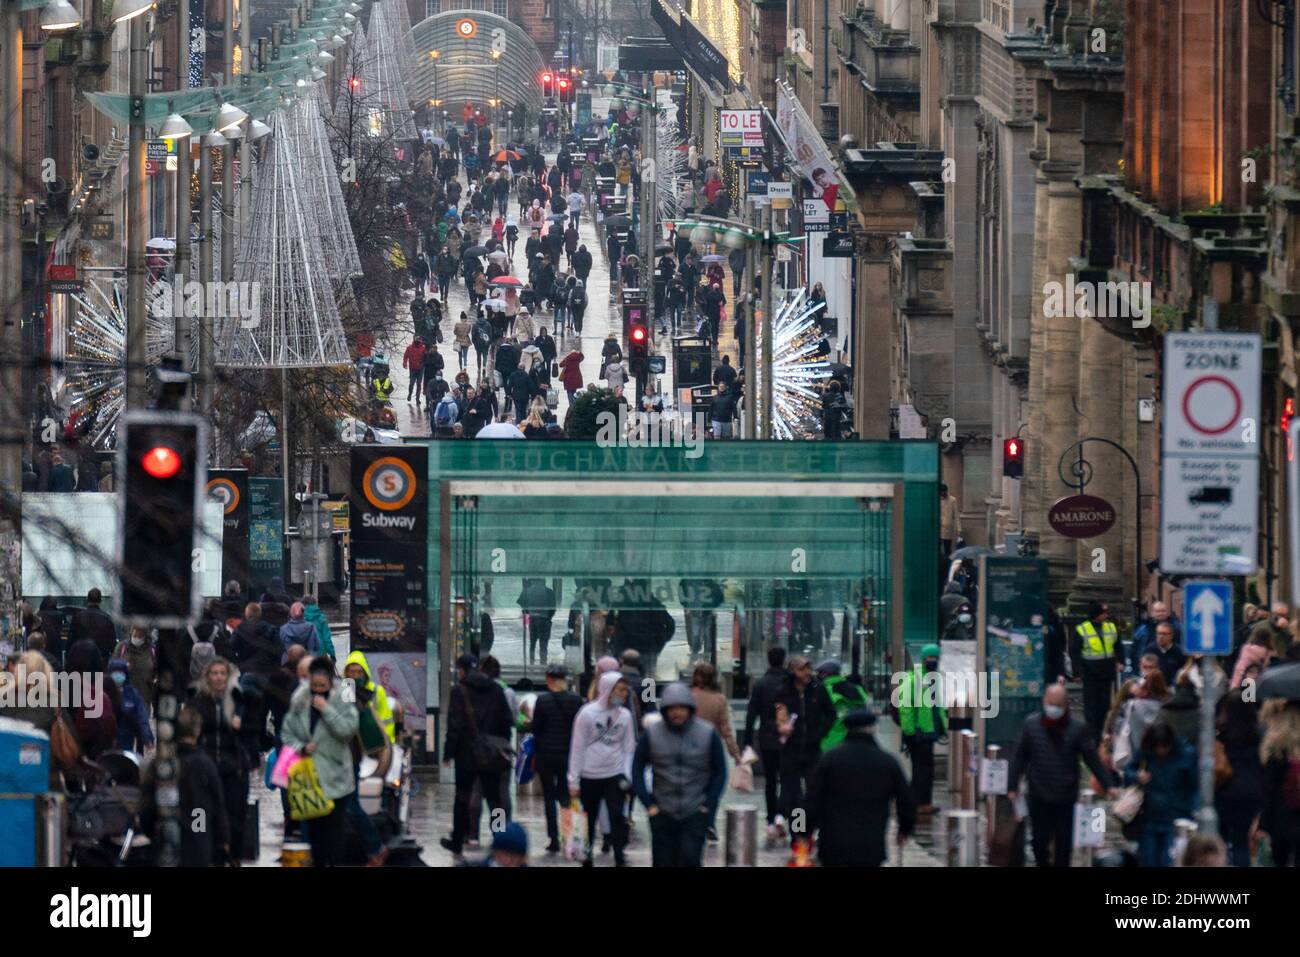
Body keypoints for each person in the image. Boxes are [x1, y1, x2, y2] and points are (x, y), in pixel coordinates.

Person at [1007, 682, 1116, 867]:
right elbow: (1020, 757)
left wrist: (1108, 784)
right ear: (1044, 702)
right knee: (1039, 841)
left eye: (1057, 705)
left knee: (1064, 845)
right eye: (1050, 703)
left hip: (1065, 796)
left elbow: (1091, 759)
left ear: (1065, 706)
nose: (1053, 709)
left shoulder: (1077, 729)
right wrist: (1012, 786)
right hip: (1038, 793)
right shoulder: (1031, 725)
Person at [632, 682, 727, 867]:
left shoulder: (707, 733)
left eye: (681, 708)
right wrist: (648, 803)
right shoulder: (652, 734)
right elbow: (637, 767)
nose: (677, 713)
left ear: (690, 708)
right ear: (665, 710)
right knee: (662, 861)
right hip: (662, 810)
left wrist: (709, 804)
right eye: (672, 708)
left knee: (690, 859)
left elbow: (720, 771)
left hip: (695, 810)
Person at [805, 709, 915, 867]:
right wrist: (905, 829)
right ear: (873, 728)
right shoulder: (887, 762)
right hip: (871, 847)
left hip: (833, 846)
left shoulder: (829, 760)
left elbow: (808, 802)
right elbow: (906, 801)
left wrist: (802, 831)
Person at [281, 656, 359, 867]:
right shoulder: (299, 700)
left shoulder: (343, 695)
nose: (317, 690)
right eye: (314, 686)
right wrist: (302, 747)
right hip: (310, 779)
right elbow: (287, 734)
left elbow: (348, 731)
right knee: (314, 832)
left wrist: (327, 709)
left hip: (336, 777)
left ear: (330, 682)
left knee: (333, 831)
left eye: (322, 686)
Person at [441, 655, 514, 860]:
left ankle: (458, 841)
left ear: (462, 670)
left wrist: (448, 753)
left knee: (462, 798)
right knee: (495, 800)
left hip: (466, 754)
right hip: (492, 754)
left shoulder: (459, 691)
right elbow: (507, 721)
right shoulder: (497, 690)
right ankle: (499, 838)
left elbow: (454, 725)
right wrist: (501, 746)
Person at [568, 671, 638, 866]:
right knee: (588, 818)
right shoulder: (587, 713)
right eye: (621, 690)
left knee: (617, 816)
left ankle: (619, 854)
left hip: (614, 774)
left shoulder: (625, 716)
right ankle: (586, 856)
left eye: (626, 690)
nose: (624, 694)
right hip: (590, 775)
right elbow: (577, 747)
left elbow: (628, 748)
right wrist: (573, 779)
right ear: (608, 690)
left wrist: (627, 775)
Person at [192, 657, 257, 865]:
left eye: (222, 673)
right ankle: (210, 856)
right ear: (207, 677)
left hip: (234, 767)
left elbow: (254, 732)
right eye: (214, 673)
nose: (218, 677)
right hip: (207, 767)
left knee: (236, 816)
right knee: (204, 816)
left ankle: (234, 856)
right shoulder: (199, 700)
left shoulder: (239, 699)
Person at [774, 655, 836, 841]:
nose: (808, 673)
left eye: (809, 668)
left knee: (814, 790)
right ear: (793, 672)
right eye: (802, 669)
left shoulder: (818, 690)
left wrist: (820, 733)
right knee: (793, 795)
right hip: (791, 749)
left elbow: (831, 715)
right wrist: (781, 729)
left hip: (812, 748)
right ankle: (798, 833)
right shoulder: (783, 691)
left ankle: (813, 828)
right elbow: (774, 717)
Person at [1124, 719, 1197, 867]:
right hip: (1149, 818)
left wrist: (1195, 809)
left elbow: (1195, 785)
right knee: (1148, 859)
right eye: (1157, 748)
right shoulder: (1146, 752)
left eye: (1164, 747)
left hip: (1176, 817)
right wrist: (1137, 776)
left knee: (1168, 860)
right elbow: (1128, 771)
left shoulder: (1186, 754)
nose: (1161, 751)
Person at [528, 663, 583, 853]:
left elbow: (536, 729)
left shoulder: (543, 701)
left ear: (549, 679)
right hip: (568, 755)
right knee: (565, 797)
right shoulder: (576, 700)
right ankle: (567, 835)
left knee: (549, 797)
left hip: (546, 755)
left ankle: (553, 839)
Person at [895, 644, 947, 812]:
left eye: (935, 658)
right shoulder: (913, 679)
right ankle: (919, 803)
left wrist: (943, 727)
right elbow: (906, 708)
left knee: (925, 769)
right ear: (923, 660)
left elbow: (937, 707)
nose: (933, 661)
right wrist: (909, 731)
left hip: (929, 732)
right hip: (919, 733)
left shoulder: (934, 679)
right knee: (922, 769)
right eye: (930, 658)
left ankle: (920, 802)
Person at [1215, 689, 1264, 867]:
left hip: (1224, 790)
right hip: (1251, 791)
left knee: (1220, 841)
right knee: (1241, 843)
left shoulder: (1222, 733)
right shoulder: (1258, 733)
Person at [744, 646, 789, 840]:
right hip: (789, 737)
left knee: (770, 780)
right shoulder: (790, 683)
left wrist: (747, 740)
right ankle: (782, 815)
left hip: (767, 737)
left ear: (768, 660)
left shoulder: (761, 684)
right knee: (788, 779)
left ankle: (771, 819)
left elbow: (751, 713)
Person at [1073, 601, 1123, 738]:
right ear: (1096, 615)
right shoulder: (1082, 629)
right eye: (1104, 613)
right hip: (1090, 672)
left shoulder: (1111, 627)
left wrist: (1121, 661)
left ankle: (1103, 730)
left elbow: (1118, 645)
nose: (1107, 615)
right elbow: (1075, 652)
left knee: (1105, 704)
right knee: (1091, 706)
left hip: (1106, 672)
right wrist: (1077, 672)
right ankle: (1091, 733)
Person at [1259, 700, 1300, 866]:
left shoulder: (1276, 747)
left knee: (1279, 858)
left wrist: (1262, 821)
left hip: (1280, 815)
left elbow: (1269, 787)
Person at [817, 660, 871, 752]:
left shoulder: (823, 689)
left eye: (819, 673)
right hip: (854, 738)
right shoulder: (857, 689)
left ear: (824, 674)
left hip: (829, 738)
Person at [108, 658, 154, 753]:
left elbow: (142, 717)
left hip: (126, 740)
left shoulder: (132, 694)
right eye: (115, 673)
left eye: (121, 673)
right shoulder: (102, 691)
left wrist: (147, 737)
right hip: (106, 741)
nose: (117, 676)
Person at [69, 588, 117, 663]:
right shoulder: (106, 618)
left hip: (81, 659)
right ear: (100, 600)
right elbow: (112, 643)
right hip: (101, 660)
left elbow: (71, 639)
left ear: (87, 599)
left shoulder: (78, 617)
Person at [1143, 621, 1187, 686]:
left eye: (1164, 634)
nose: (1161, 637)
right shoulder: (1149, 650)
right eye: (1159, 633)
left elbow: (1184, 670)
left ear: (1171, 635)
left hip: (1173, 688)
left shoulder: (1179, 651)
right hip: (1153, 687)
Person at [939, 483, 960, 567]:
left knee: (947, 548)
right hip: (939, 528)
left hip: (948, 529)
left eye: (945, 492)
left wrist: (959, 529)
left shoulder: (952, 500)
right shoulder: (937, 500)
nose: (944, 493)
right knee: (939, 548)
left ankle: (947, 565)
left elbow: (956, 515)